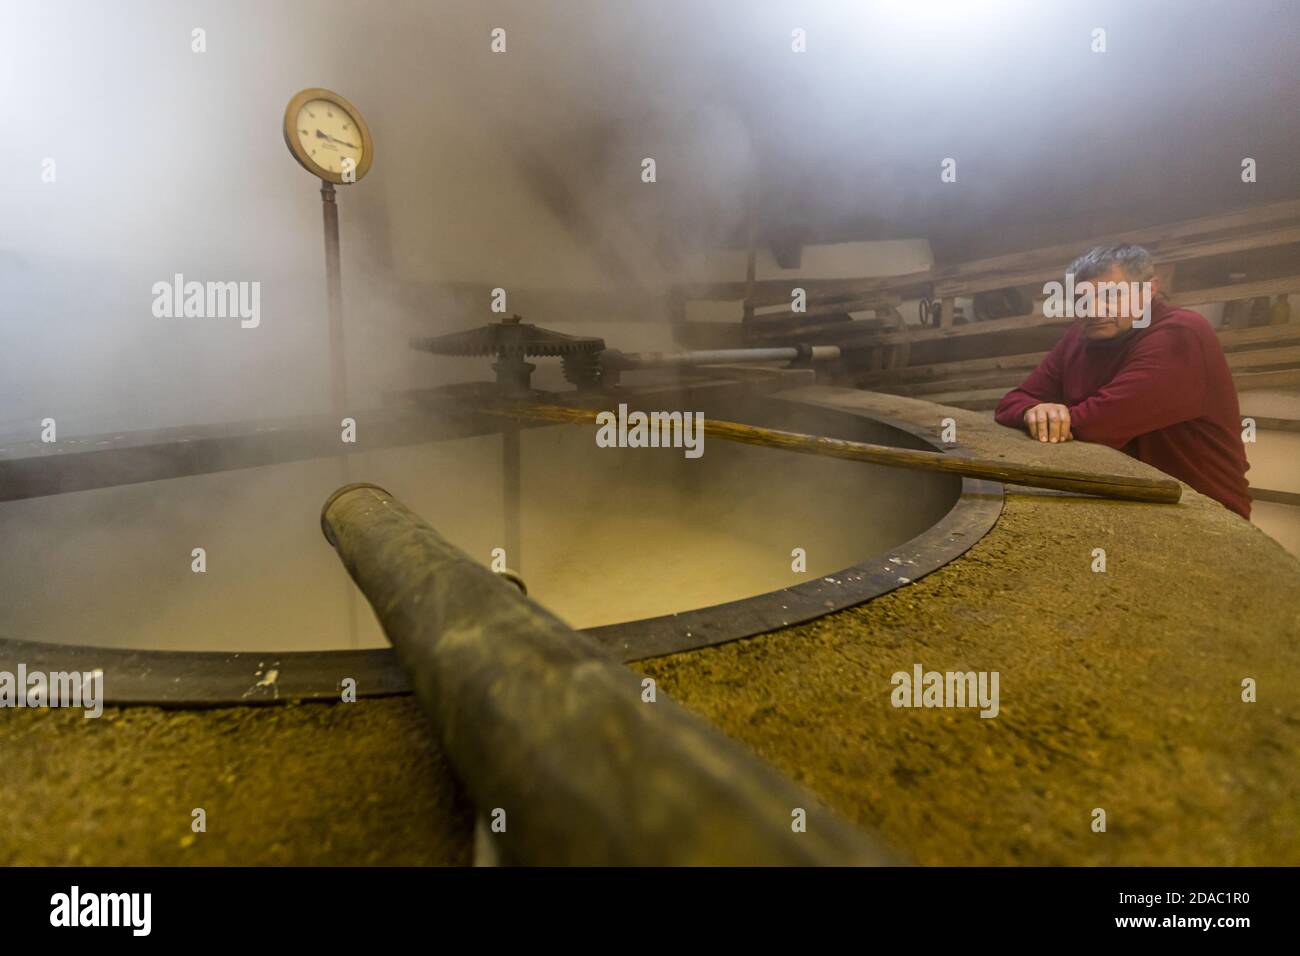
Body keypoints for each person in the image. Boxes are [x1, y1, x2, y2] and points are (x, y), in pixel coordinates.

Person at [993, 244, 1251, 518]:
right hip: (1133, 504)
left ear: (1148, 290)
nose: (1093, 310)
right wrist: (1033, 410)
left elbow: (1096, 425)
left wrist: (1050, 418)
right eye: (1082, 300)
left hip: (1204, 514)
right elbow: (1010, 403)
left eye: (1110, 296)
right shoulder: (1081, 336)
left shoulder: (1181, 332)